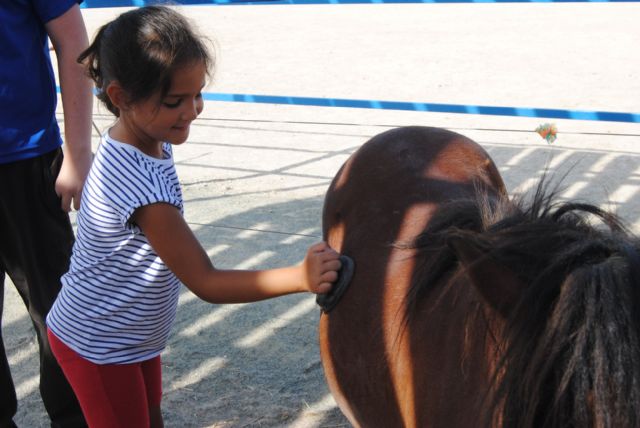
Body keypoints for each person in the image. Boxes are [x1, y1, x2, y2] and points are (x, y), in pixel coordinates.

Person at [45, 6, 341, 428]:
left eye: (198, 93)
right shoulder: (143, 192)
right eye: (174, 101)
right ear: (120, 97)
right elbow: (206, 281)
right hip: (99, 342)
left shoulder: (143, 138)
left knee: (149, 418)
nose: (193, 110)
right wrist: (299, 276)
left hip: (132, 336)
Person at [0, 1, 92, 427]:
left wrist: (77, 153)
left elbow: (72, 39)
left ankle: (73, 415)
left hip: (24, 158)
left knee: (56, 307)